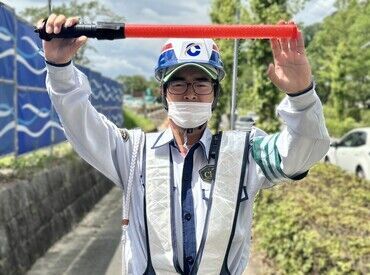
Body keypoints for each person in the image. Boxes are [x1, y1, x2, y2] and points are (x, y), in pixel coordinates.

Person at [37, 14, 330, 275]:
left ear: (215, 94)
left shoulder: (247, 151)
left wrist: (301, 95)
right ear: (163, 92)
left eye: (202, 83)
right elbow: (80, 123)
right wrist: (59, 68)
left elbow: (303, 151)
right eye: (179, 83)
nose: (190, 94)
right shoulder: (132, 151)